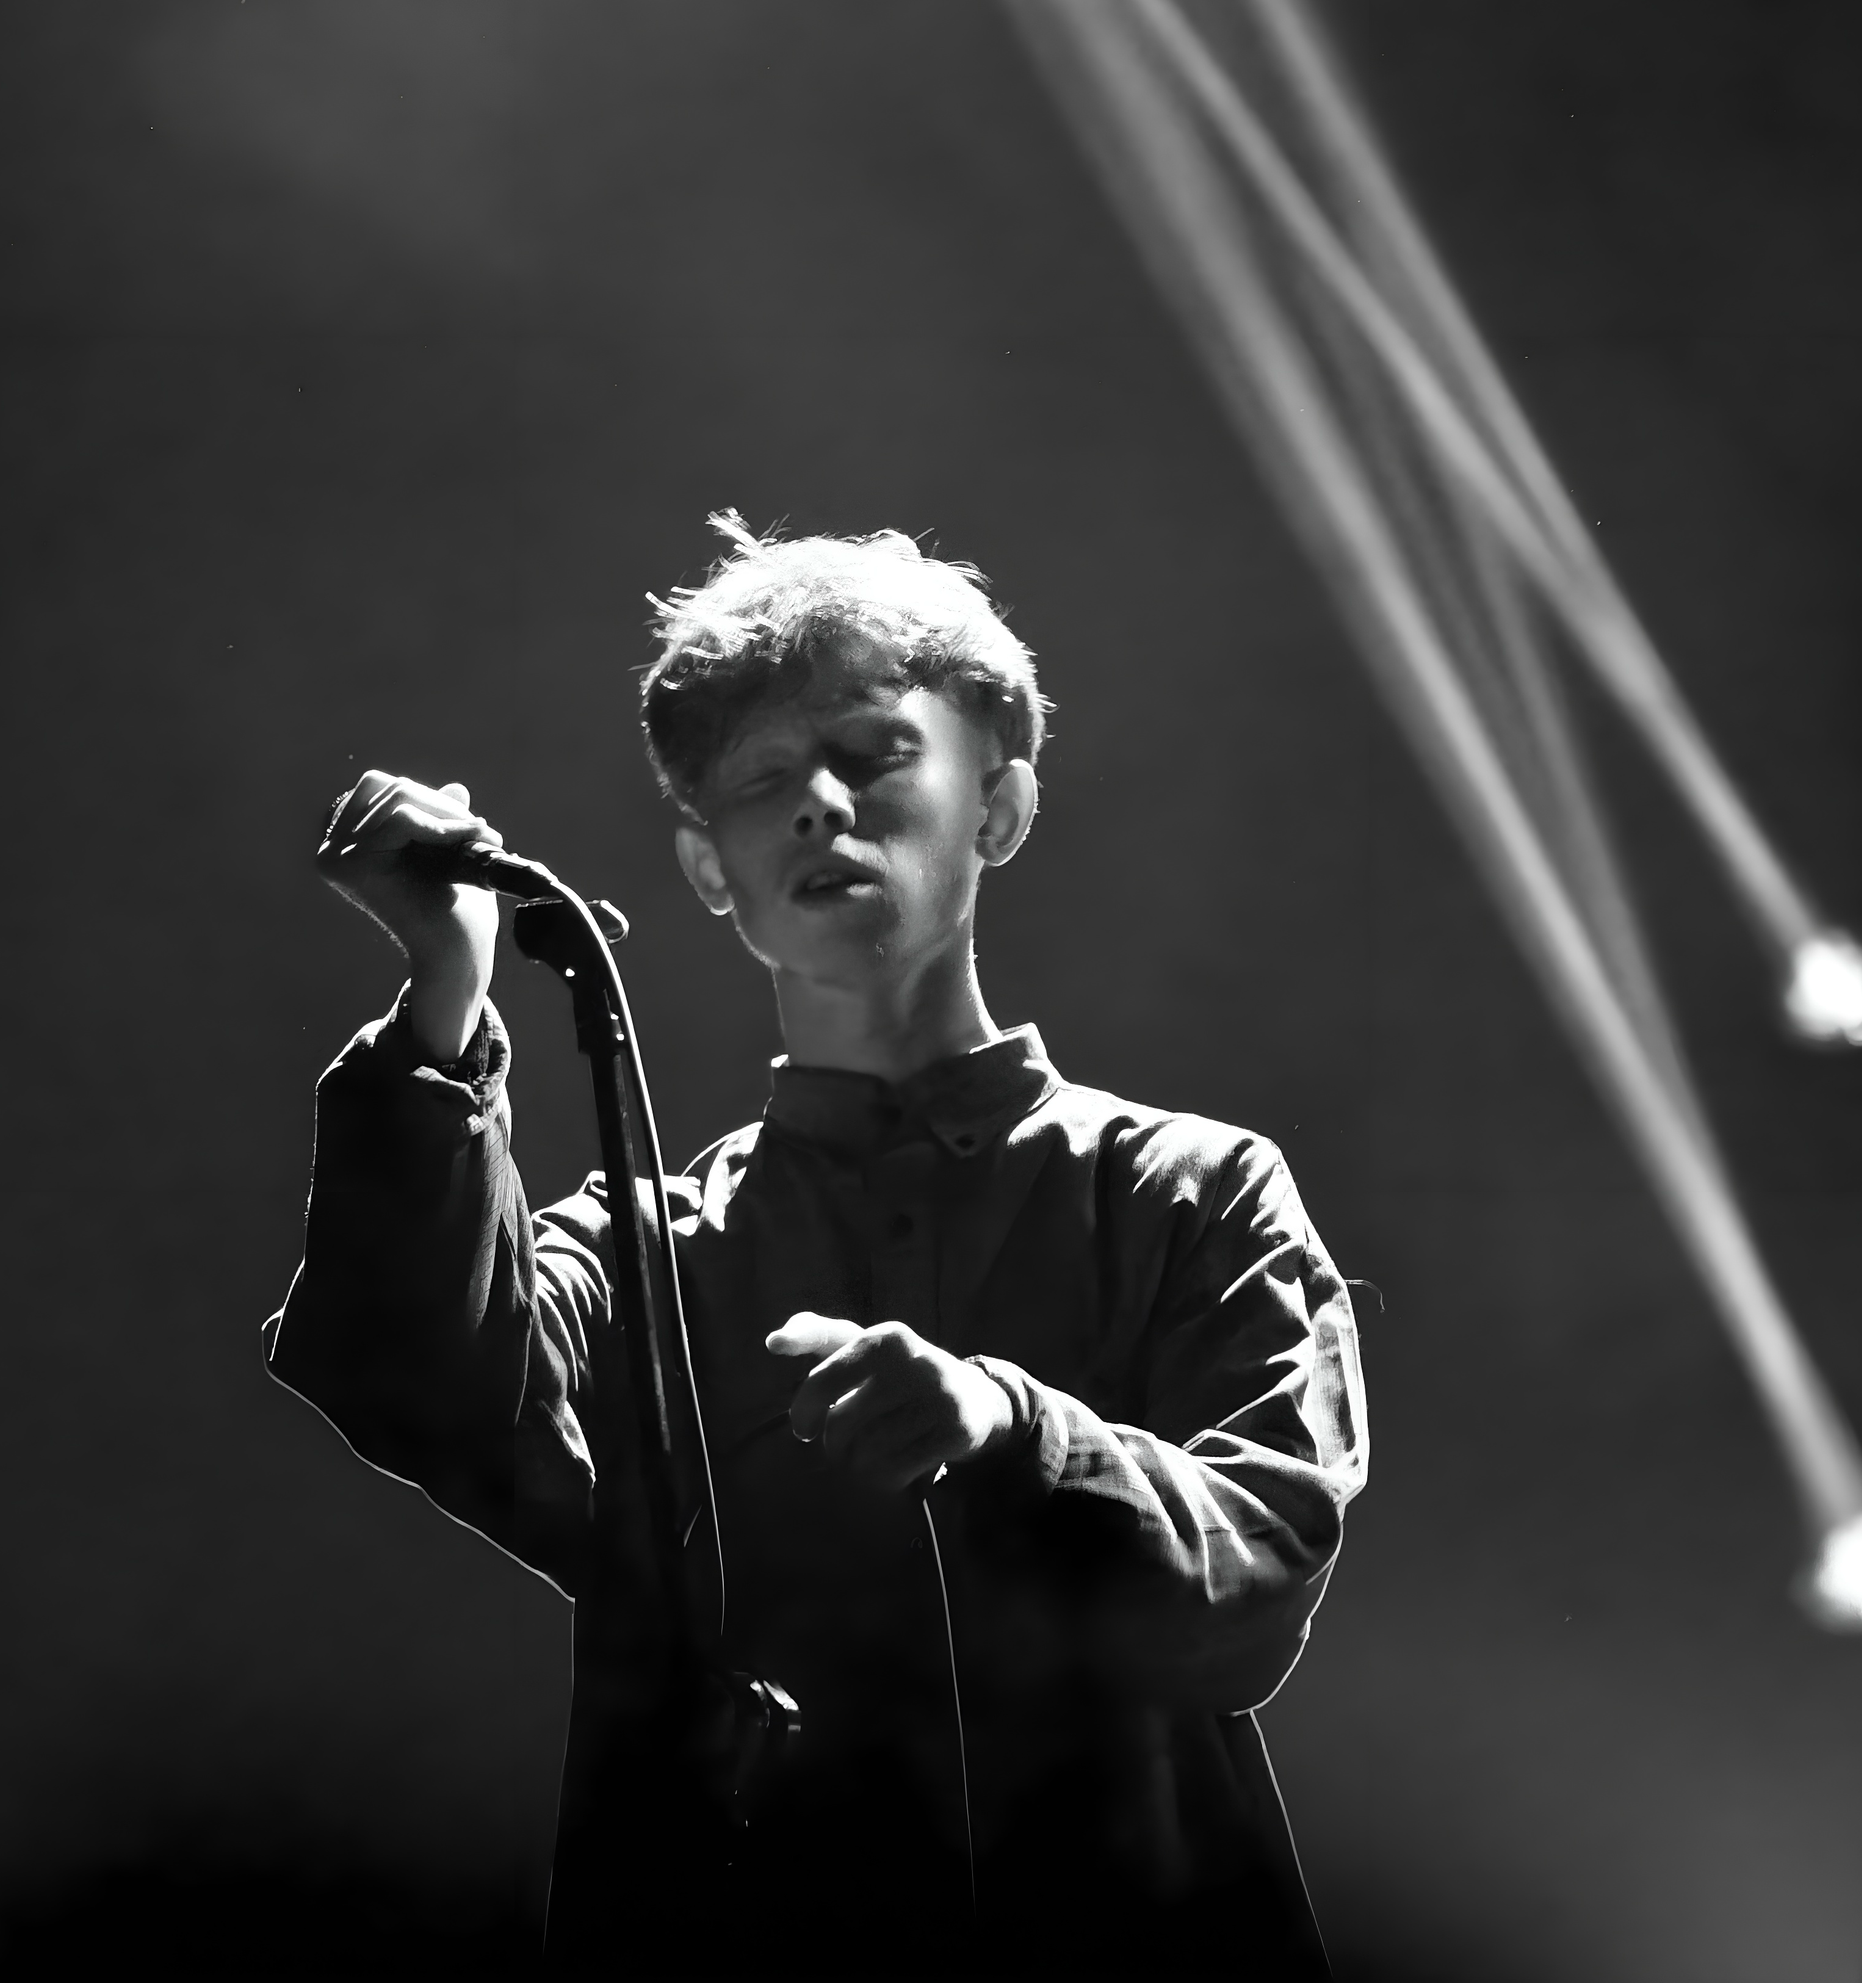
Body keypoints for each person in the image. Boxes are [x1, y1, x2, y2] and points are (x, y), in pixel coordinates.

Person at [266, 517, 1369, 1973]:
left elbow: (1256, 1584)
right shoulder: (650, 1252)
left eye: (875, 751)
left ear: (1000, 806)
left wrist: (1010, 1428)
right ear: (705, 866)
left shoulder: (1192, 1192)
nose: (819, 805)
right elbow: (424, 1383)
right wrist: (445, 998)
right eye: (762, 779)